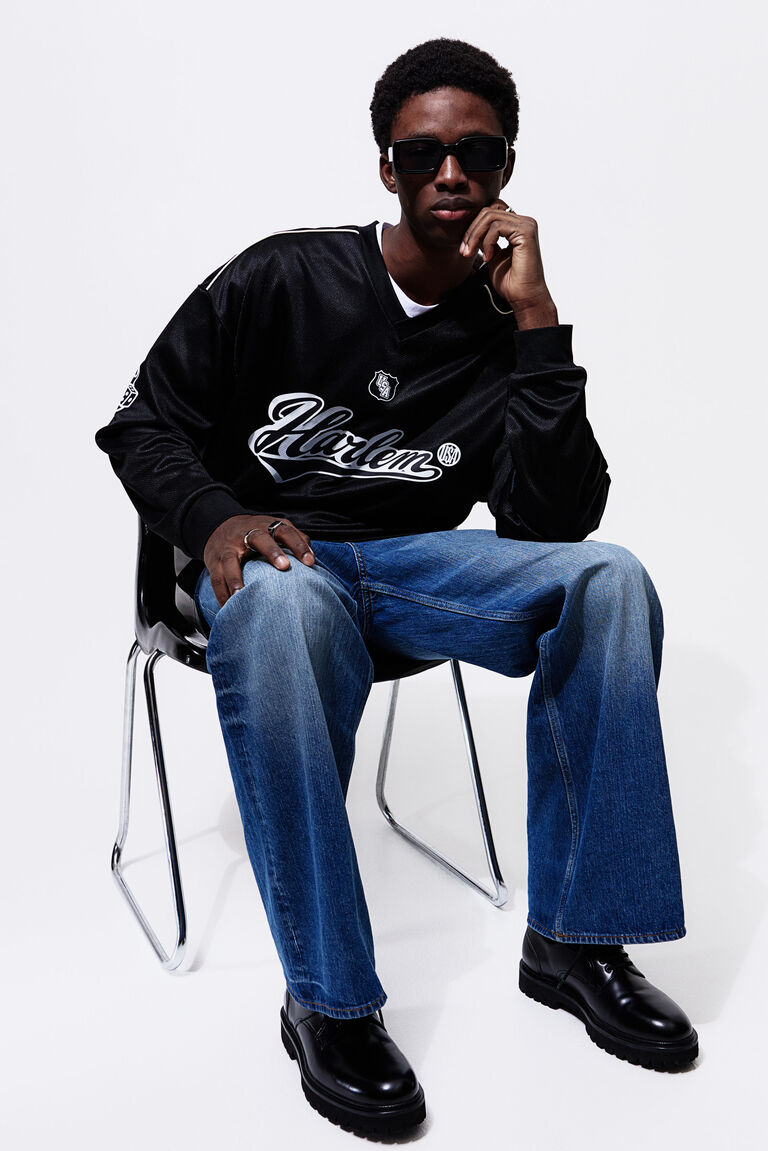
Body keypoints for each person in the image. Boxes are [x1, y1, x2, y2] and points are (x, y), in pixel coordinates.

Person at [96, 38, 697, 1138]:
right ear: (387, 166)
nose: (450, 173)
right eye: (423, 153)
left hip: (414, 569)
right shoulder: (283, 277)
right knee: (284, 598)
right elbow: (141, 423)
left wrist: (538, 323)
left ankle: (575, 939)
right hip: (275, 564)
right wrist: (216, 516)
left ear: (506, 166)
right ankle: (328, 1002)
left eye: (477, 152)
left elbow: (551, 525)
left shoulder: (503, 323)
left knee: (609, 579)